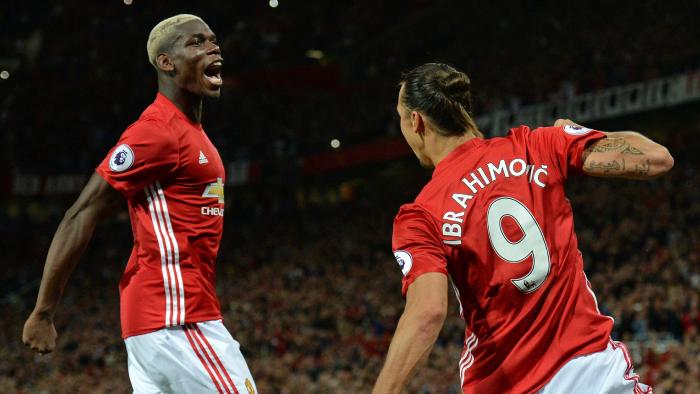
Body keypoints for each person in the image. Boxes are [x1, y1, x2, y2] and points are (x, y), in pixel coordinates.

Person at [373, 63, 674, 394]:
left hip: (507, 385)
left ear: (416, 121)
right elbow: (657, 158)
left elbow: (427, 312)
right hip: (594, 374)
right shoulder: (536, 146)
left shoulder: (421, 214)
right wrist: (575, 131)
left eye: (400, 117)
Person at [22, 14, 257, 394]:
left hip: (160, 320)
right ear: (167, 62)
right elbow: (81, 213)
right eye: (196, 42)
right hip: (176, 317)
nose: (213, 47)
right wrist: (43, 311)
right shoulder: (156, 132)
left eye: (213, 40)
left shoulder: (190, 133)